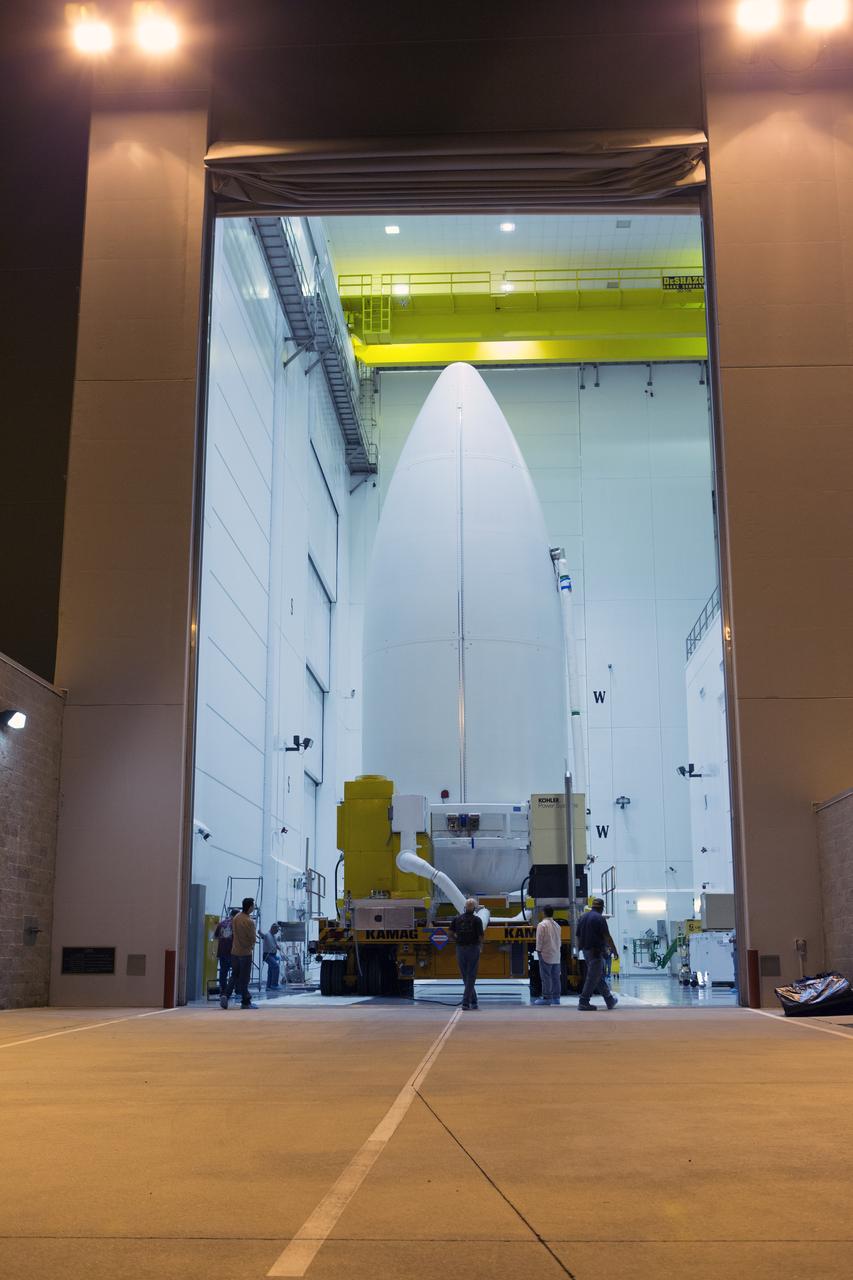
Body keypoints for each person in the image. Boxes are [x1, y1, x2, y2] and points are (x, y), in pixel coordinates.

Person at [575, 897, 618, 1011]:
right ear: (602, 908)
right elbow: (607, 937)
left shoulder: (583, 917)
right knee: (592, 977)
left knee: (597, 976)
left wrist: (578, 950)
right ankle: (583, 1001)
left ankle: (609, 1000)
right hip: (595, 952)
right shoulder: (599, 918)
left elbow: (578, 936)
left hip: (586, 951)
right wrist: (614, 950)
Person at [221, 897, 258, 1009]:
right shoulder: (249, 922)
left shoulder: (236, 918)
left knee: (234, 975)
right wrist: (251, 945)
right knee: (245, 978)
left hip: (234, 952)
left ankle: (226, 995)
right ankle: (245, 1002)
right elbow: (252, 938)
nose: (254, 907)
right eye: (253, 906)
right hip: (245, 953)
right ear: (250, 907)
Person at [450, 898, 484, 1010]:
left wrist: (457, 941)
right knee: (471, 975)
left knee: (465, 975)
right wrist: (480, 947)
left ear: (465, 908)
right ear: (474, 909)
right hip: (473, 948)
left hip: (460, 949)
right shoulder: (477, 920)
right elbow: (480, 936)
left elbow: (450, 934)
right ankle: (466, 1002)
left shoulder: (457, 919)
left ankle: (474, 1001)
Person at [533, 905, 562, 1006]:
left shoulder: (542, 925)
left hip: (545, 954)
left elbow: (539, 940)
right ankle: (556, 998)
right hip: (556, 955)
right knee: (556, 977)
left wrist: (538, 950)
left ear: (543, 913)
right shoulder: (557, 926)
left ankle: (547, 998)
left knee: (546, 977)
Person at [213, 908, 238, 996]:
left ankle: (223, 991)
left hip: (222, 952)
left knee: (223, 972)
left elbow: (215, 936)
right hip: (232, 952)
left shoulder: (221, 923)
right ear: (236, 916)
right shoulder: (235, 924)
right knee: (236, 972)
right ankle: (235, 990)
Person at [261, 922, 282, 992]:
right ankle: (274, 985)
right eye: (277, 930)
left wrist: (278, 947)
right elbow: (263, 936)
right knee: (276, 966)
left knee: (271, 970)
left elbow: (275, 945)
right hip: (267, 955)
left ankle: (268, 986)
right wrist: (259, 932)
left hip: (273, 955)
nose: (277, 932)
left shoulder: (273, 936)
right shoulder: (267, 935)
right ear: (273, 928)